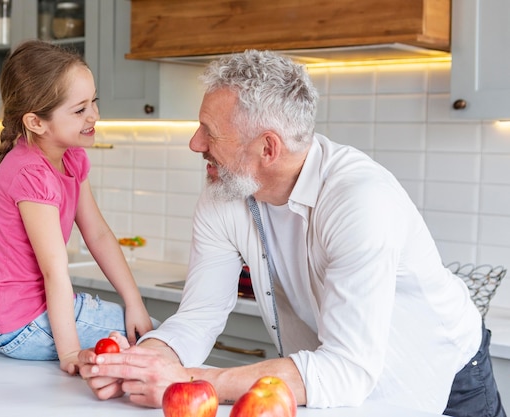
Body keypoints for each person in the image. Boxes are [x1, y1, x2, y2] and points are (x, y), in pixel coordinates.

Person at [77, 49, 506, 417]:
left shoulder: (359, 201)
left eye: (210, 132)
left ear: (268, 148)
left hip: (446, 374)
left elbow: (348, 370)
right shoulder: (224, 190)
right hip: (336, 377)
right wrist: (142, 364)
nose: (194, 143)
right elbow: (199, 316)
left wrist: (191, 379)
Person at [0, 40, 154, 375]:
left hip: (12, 324)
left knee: (148, 336)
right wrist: (70, 353)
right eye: (79, 110)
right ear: (36, 122)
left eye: (94, 102)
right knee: (160, 340)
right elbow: (54, 270)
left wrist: (134, 302)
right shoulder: (32, 173)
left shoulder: (71, 157)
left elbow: (99, 234)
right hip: (22, 328)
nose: (94, 115)